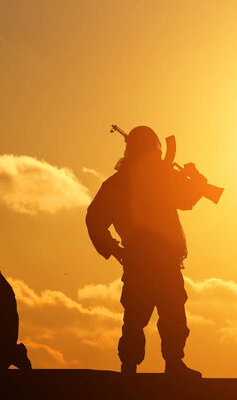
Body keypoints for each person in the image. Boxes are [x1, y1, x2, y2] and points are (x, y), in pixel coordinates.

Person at [86, 126, 206, 378]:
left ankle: (144, 367)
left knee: (157, 316)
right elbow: (95, 220)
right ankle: (149, 366)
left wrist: (193, 179)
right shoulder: (152, 180)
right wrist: (194, 179)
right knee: (148, 317)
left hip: (149, 263)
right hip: (148, 262)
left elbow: (186, 199)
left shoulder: (123, 182)